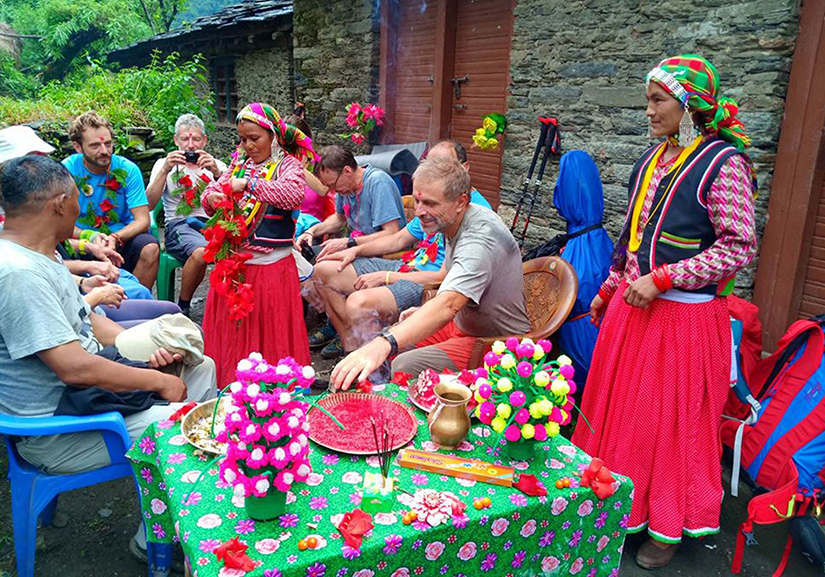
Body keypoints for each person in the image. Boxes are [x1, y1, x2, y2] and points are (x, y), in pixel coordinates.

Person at [571, 55, 757, 569]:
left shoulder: (723, 165)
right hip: (636, 316)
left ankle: (669, 527)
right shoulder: (650, 163)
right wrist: (610, 288)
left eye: (658, 101)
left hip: (685, 322)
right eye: (649, 100)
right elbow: (634, 243)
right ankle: (620, 510)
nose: (649, 111)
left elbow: (740, 246)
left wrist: (666, 278)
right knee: (624, 418)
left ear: (690, 106)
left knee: (671, 425)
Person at [0, 155, 216, 558]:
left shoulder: (41, 255)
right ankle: (155, 541)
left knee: (199, 366)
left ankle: (177, 500)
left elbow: (93, 326)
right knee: (186, 428)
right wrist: (157, 381)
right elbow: (73, 367)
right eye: (77, 197)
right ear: (61, 202)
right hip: (56, 429)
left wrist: (149, 349)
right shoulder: (18, 274)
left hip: (80, 400)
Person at [330, 156, 530, 389]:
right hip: (465, 325)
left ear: (460, 201)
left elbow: (449, 304)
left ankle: (408, 417)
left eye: (431, 204)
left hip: (495, 341)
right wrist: (419, 312)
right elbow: (448, 277)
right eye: (418, 201)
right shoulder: (453, 222)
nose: (419, 212)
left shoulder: (480, 238)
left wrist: (383, 344)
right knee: (387, 340)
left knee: (401, 362)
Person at [313, 140, 492, 359]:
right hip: (408, 264)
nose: (433, 173)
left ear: (464, 169)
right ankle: (352, 346)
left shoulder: (475, 213)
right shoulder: (430, 204)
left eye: (443, 167)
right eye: (430, 165)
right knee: (323, 270)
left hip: (426, 282)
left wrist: (386, 276)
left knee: (357, 303)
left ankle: (376, 364)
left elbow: (444, 278)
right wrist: (353, 248)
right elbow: (398, 239)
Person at [201, 102, 314, 387]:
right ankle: (233, 390)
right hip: (236, 269)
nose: (248, 145)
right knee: (235, 334)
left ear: (273, 135)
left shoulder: (287, 164)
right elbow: (213, 189)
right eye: (243, 139)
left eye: (255, 138)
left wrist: (249, 184)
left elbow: (293, 194)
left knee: (271, 334)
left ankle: (276, 398)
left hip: (271, 270)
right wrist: (212, 198)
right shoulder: (239, 163)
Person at [294, 145, 406, 354]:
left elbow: (392, 233)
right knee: (302, 259)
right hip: (357, 248)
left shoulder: (377, 183)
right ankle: (339, 325)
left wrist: (350, 244)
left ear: (347, 171)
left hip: (380, 252)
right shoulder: (348, 186)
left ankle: (348, 333)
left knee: (322, 269)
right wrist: (312, 231)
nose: (335, 192)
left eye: (334, 186)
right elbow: (339, 218)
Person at [62, 111, 160, 289]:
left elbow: (143, 220)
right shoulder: (67, 170)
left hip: (121, 238)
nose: (104, 151)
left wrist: (116, 237)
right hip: (82, 240)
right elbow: (60, 222)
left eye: (108, 143)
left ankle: (136, 303)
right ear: (78, 147)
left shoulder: (127, 169)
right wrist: (89, 237)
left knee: (150, 248)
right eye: (95, 146)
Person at [146, 114, 226, 316]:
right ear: (176, 141)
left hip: (211, 224)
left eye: (196, 139)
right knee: (201, 253)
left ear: (205, 141)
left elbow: (233, 203)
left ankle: (231, 308)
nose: (190, 145)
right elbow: (148, 203)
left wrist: (217, 173)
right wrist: (165, 170)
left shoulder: (217, 165)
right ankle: (183, 307)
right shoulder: (163, 164)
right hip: (179, 225)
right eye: (185, 139)